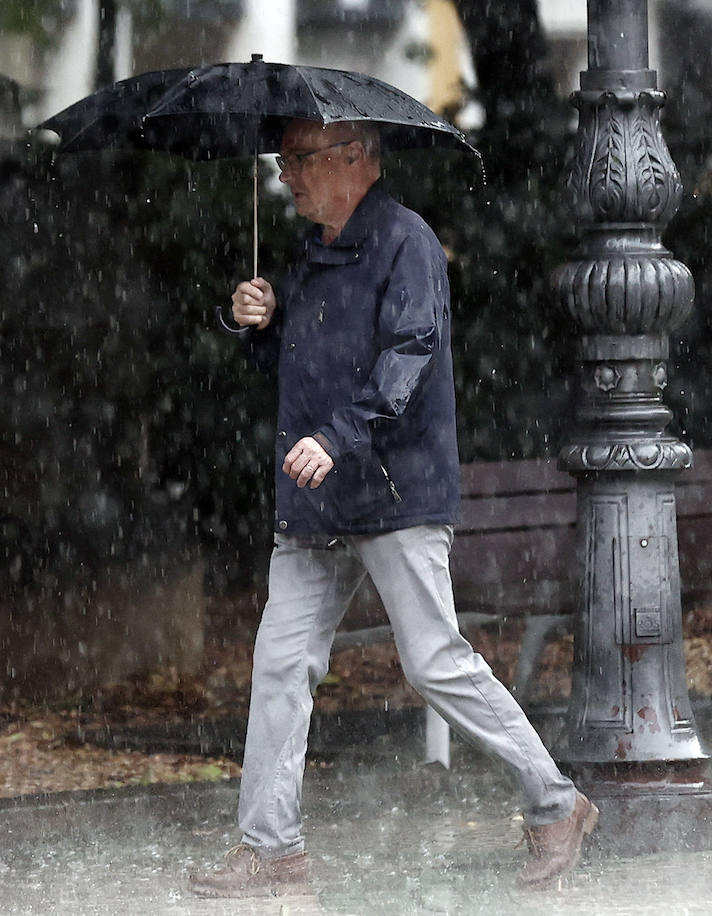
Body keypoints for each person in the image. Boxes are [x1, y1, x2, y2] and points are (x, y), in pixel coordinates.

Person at [188, 118, 597, 898]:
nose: (286, 176)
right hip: (318, 501)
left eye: (299, 160)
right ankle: (271, 847)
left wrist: (339, 438)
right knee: (278, 667)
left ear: (354, 160)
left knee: (434, 661)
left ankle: (556, 804)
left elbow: (406, 359)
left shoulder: (405, 241)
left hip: (394, 492)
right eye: (283, 161)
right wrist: (261, 324)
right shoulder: (313, 251)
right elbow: (310, 366)